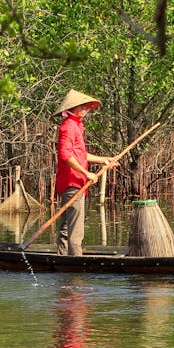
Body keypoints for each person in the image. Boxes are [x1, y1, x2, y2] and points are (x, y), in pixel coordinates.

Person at [54, 89, 115, 256]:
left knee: (67, 226)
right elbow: (65, 155)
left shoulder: (77, 126)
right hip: (72, 182)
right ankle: (76, 262)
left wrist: (103, 160)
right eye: (82, 106)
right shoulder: (68, 127)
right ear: (72, 108)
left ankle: (62, 258)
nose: (86, 109)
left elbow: (80, 154)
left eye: (86, 106)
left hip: (76, 181)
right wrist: (86, 173)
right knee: (75, 227)